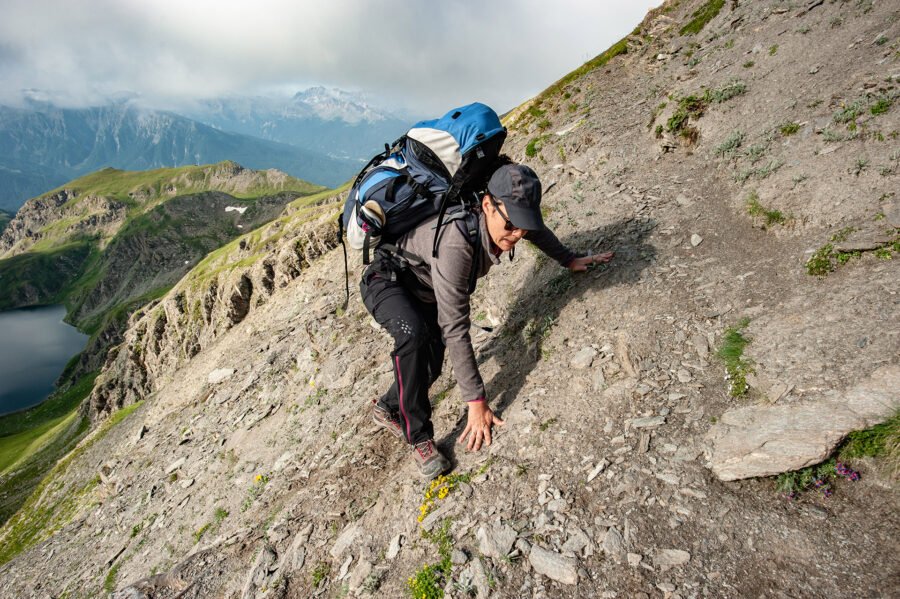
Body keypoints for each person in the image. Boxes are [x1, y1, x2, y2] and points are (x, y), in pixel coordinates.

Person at [359, 161, 614, 479]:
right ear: (487, 205)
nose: (517, 233)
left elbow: (535, 231)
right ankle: (420, 439)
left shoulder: (508, 218)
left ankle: (388, 407)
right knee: (414, 337)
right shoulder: (456, 242)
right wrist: (476, 401)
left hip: (425, 288)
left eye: (522, 224)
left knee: (431, 364)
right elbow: (455, 326)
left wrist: (569, 259)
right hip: (388, 280)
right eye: (510, 225)